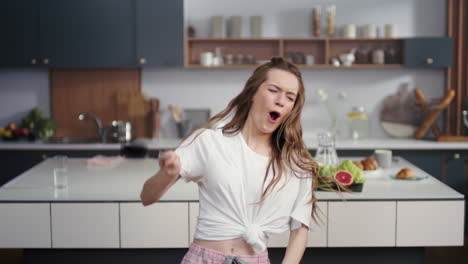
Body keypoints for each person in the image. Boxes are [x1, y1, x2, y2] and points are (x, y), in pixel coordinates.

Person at [140, 57, 324, 264]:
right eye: (274, 90)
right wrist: (168, 173)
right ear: (252, 93)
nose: (281, 100)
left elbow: (300, 229)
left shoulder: (294, 163)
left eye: (290, 97)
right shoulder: (210, 142)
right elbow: (147, 196)